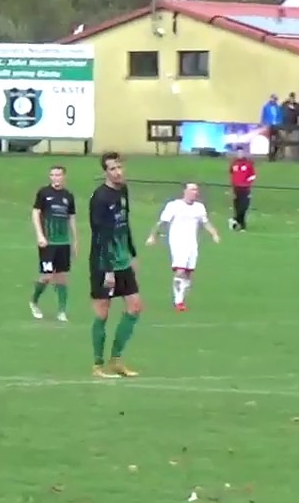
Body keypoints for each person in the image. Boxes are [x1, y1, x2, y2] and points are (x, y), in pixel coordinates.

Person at [87, 152, 143, 378]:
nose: (118, 172)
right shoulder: (99, 197)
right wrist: (108, 269)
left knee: (135, 307)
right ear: (105, 172)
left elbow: (124, 224)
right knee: (102, 312)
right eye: (112, 169)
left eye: (119, 167)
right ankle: (97, 365)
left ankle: (116, 359)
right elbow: (99, 234)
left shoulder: (124, 190)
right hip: (104, 262)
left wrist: (132, 253)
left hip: (122, 259)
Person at [145, 182, 220, 312]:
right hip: (177, 242)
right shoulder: (174, 206)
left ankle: (181, 298)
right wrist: (153, 236)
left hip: (192, 243)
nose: (194, 192)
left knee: (188, 273)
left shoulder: (199, 207)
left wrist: (214, 234)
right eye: (191, 189)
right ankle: (178, 301)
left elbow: (205, 222)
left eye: (196, 190)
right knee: (180, 271)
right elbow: (162, 222)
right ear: (184, 191)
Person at [29, 165, 78, 321]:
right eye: (53, 175)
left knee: (62, 277)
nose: (56, 178)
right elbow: (36, 213)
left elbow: (71, 217)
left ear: (64, 177)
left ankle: (62, 311)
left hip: (63, 243)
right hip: (48, 242)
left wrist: (75, 240)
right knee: (46, 276)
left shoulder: (68, 196)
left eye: (58, 175)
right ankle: (34, 301)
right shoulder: (44, 193)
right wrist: (39, 235)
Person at [228, 146, 255, 231]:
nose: (240, 154)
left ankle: (234, 220)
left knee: (244, 206)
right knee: (238, 207)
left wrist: (248, 182)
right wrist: (233, 183)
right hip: (236, 188)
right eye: (238, 153)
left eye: (241, 152)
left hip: (245, 188)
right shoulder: (234, 163)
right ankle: (242, 226)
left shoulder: (248, 164)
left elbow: (253, 175)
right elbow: (232, 173)